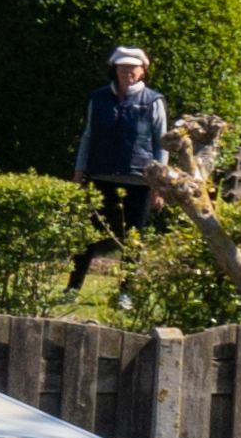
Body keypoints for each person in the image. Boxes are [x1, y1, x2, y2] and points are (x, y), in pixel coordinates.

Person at [72, 42, 171, 284]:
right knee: (88, 236)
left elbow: (162, 145)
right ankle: (73, 287)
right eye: (122, 68)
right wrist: (79, 171)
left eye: (133, 68)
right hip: (100, 176)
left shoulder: (153, 101)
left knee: (133, 238)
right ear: (114, 70)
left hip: (138, 180)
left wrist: (159, 186)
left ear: (142, 71)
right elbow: (88, 136)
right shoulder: (99, 98)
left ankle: (126, 292)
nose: (127, 73)